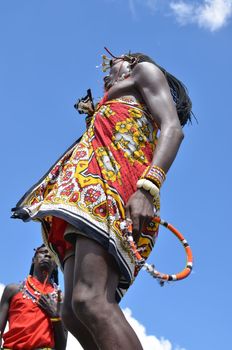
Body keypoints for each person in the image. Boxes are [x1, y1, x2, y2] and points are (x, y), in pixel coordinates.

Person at [11, 48, 193, 349]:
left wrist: (148, 187)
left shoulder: (145, 72)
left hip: (117, 191)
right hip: (86, 195)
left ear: (130, 61)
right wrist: (96, 111)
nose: (105, 72)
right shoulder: (112, 100)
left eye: (111, 64)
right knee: (73, 311)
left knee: (91, 299)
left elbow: (173, 129)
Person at [0, 245, 67, 350]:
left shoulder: (61, 299)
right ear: (33, 259)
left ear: (55, 265)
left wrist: (55, 317)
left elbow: (61, 347)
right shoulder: (12, 290)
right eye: (43, 252)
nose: (47, 255)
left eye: (51, 255)